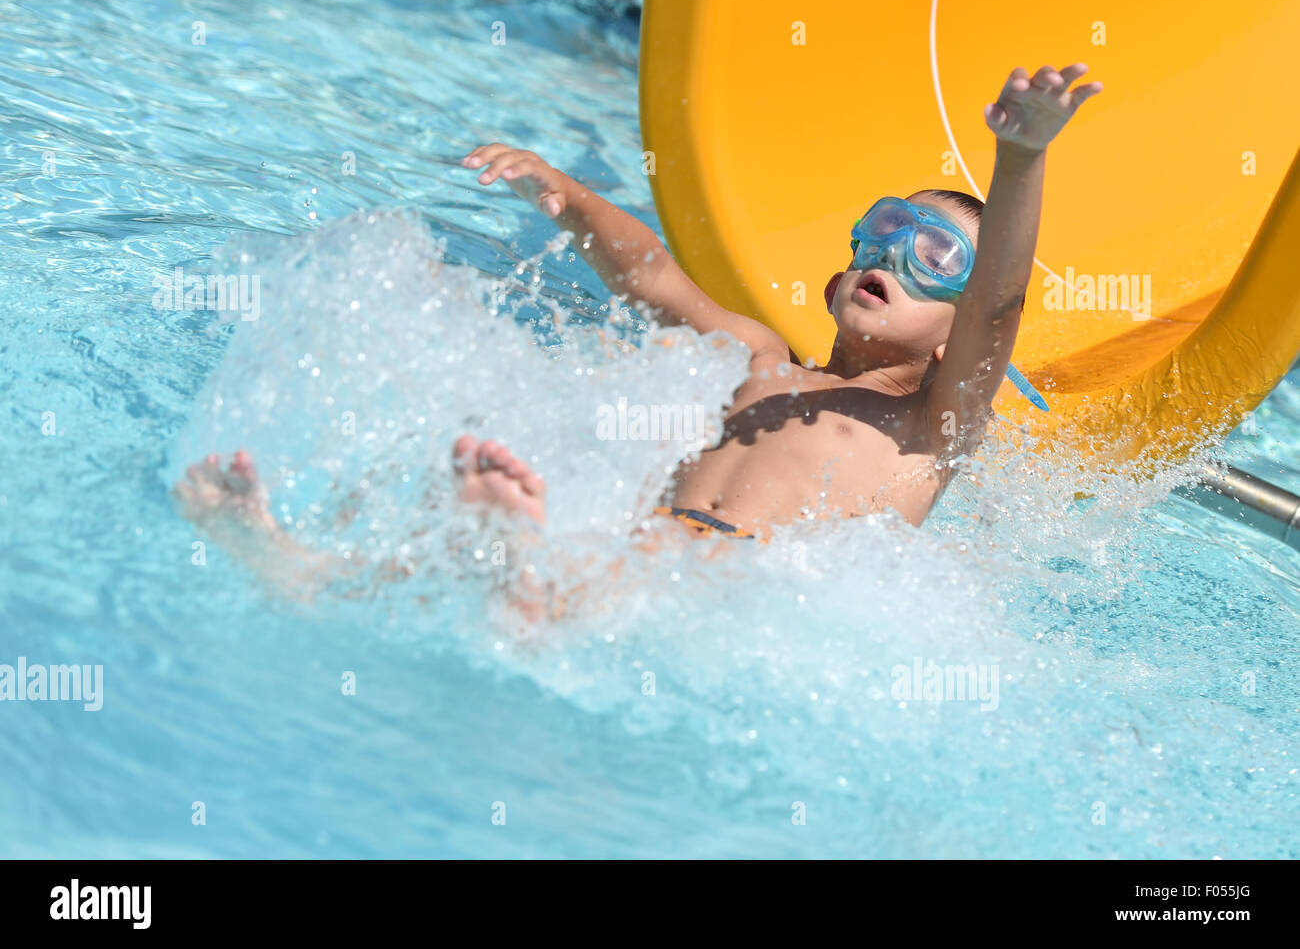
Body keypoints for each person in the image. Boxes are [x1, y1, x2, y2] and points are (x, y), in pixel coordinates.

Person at [175, 64, 1101, 606]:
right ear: (836, 274)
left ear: (955, 339)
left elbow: (1005, 303)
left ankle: (501, 559)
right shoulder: (761, 359)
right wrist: (567, 195)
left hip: (741, 600)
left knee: (568, 583)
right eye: (885, 230)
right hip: (646, 551)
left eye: (937, 255)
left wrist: (1022, 157)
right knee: (561, 567)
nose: (896, 257)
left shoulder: (936, 424)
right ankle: (307, 568)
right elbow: (655, 275)